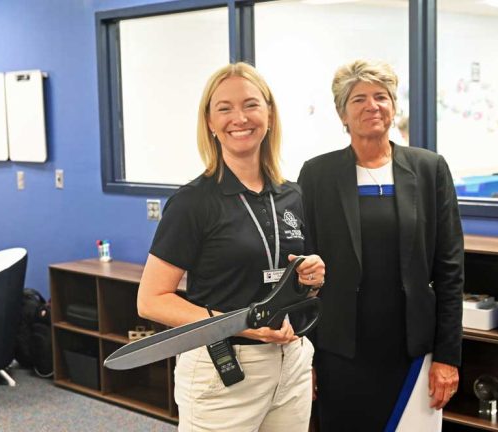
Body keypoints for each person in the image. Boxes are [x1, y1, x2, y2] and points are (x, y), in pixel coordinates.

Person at [136, 62, 326, 432]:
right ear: (209, 122)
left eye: (251, 104)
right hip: (223, 366)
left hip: (291, 361)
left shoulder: (293, 195)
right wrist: (244, 325)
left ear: (269, 114)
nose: (239, 117)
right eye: (224, 108)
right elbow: (151, 299)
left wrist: (312, 277)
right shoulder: (193, 202)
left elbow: (294, 283)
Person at [298, 59, 463, 431]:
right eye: (358, 99)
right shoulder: (317, 175)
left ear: (394, 106)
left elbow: (450, 270)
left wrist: (448, 357)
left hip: (413, 351)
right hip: (340, 352)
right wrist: (304, 359)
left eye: (381, 96)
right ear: (342, 113)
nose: (372, 106)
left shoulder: (429, 169)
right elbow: (301, 277)